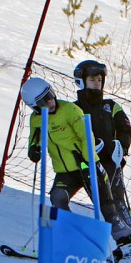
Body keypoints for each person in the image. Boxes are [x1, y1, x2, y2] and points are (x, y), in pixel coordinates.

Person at [72, 60, 131, 263]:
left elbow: (125, 129)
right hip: (89, 163)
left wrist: (119, 149)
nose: (97, 83)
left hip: (111, 162)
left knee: (117, 203)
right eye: (92, 79)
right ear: (81, 81)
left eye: (100, 80)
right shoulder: (75, 108)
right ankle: (128, 247)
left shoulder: (110, 106)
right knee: (106, 204)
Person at [22, 77, 103, 217]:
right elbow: (35, 137)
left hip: (84, 165)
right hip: (64, 171)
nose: (50, 101)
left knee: (104, 203)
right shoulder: (36, 119)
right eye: (43, 101)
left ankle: (122, 235)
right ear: (34, 107)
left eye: (50, 95)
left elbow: (85, 136)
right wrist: (34, 148)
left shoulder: (69, 109)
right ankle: (72, 230)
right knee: (57, 198)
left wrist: (89, 161)